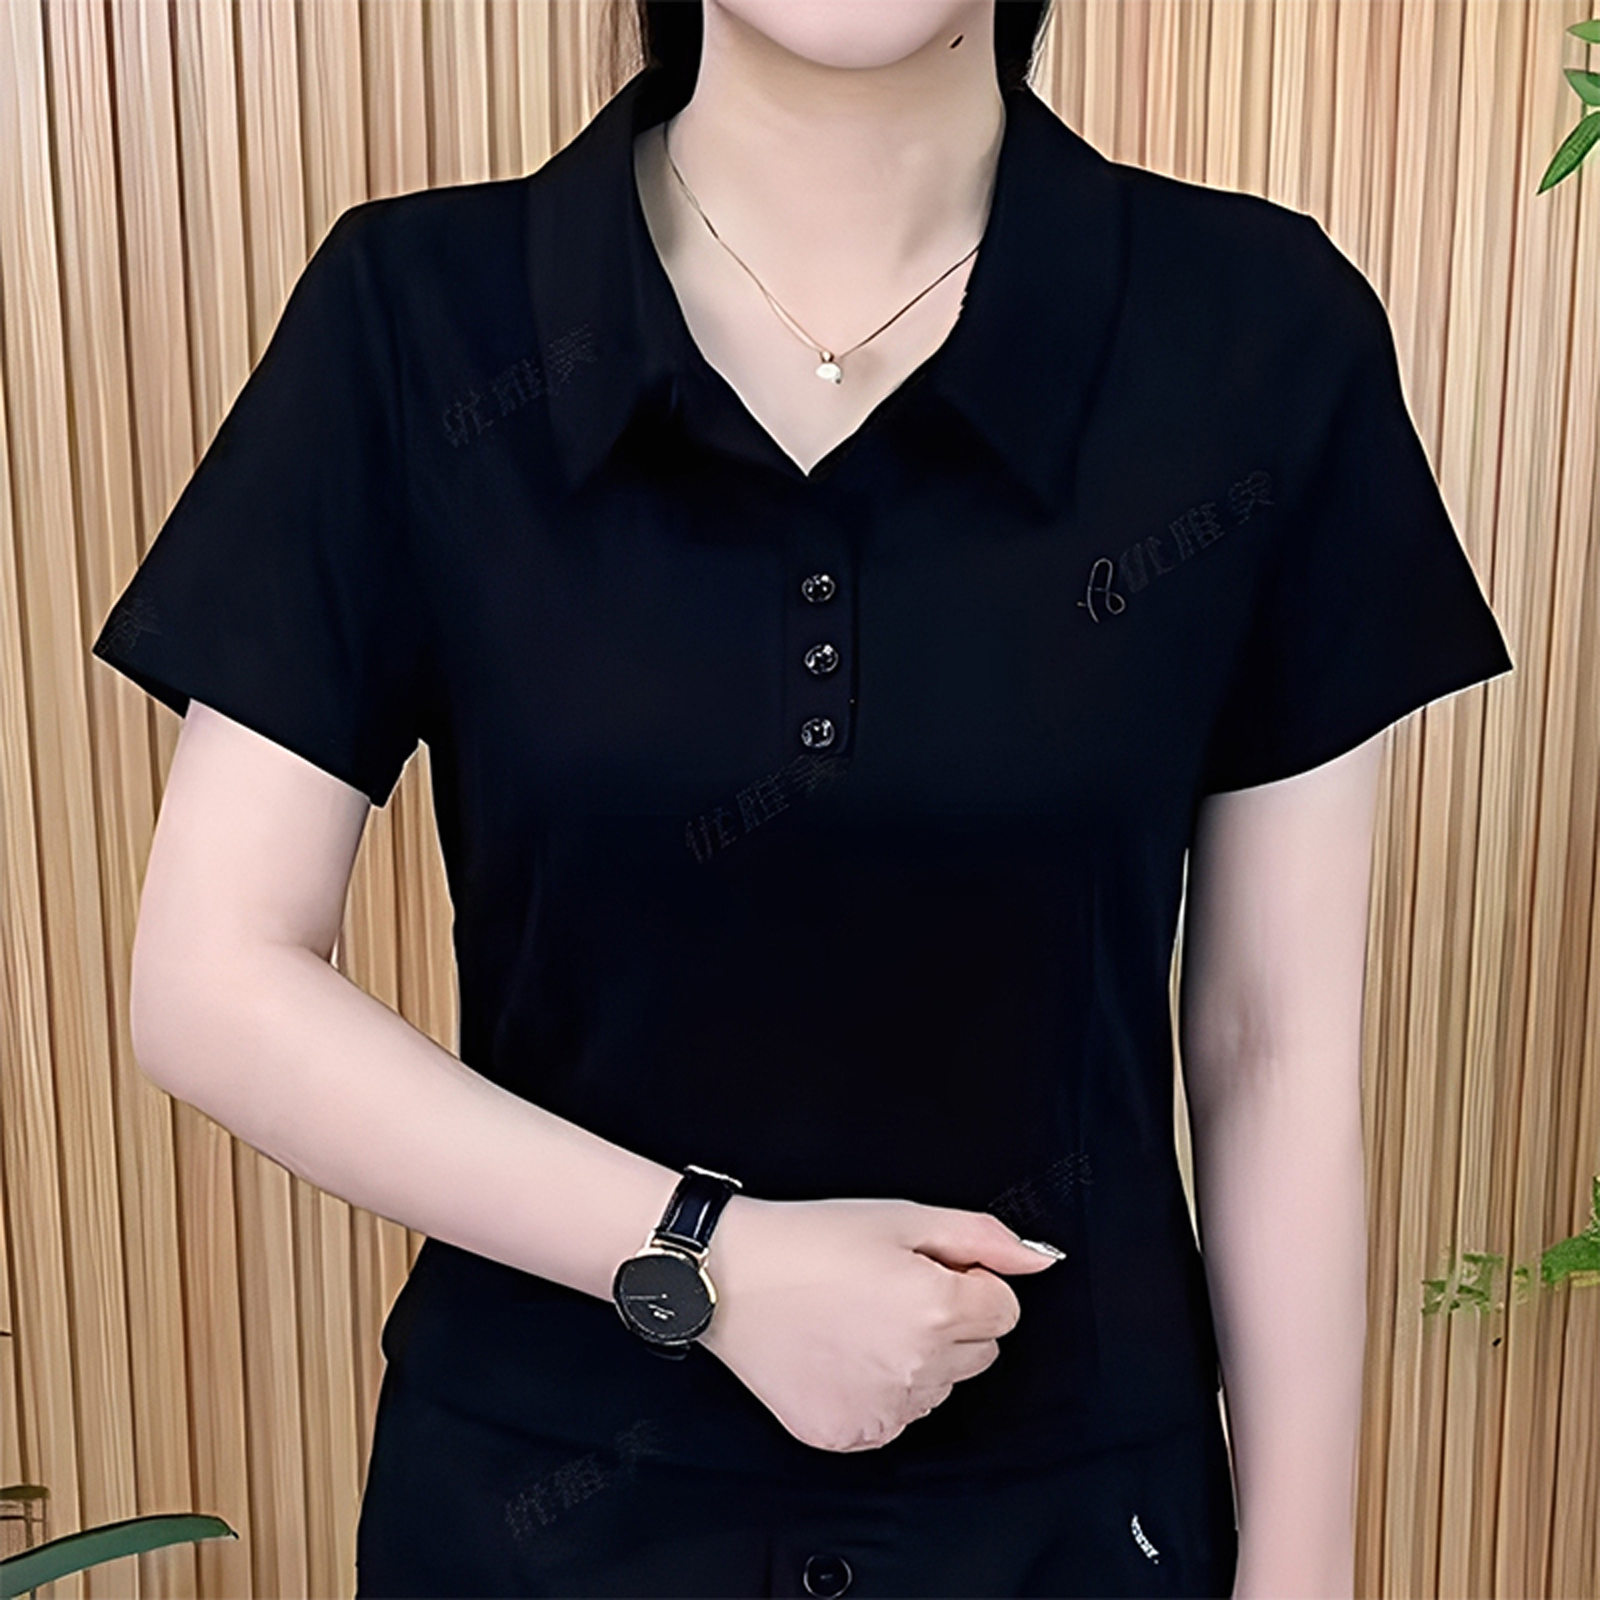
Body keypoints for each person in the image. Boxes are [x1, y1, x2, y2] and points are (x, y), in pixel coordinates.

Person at [95, 1, 1515, 1595]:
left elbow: (1272, 1042)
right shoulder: (418, 318)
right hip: (540, 1518)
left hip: (1073, 1524)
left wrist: (1303, 1568)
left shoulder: (1255, 331)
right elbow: (212, 980)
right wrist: (714, 1260)